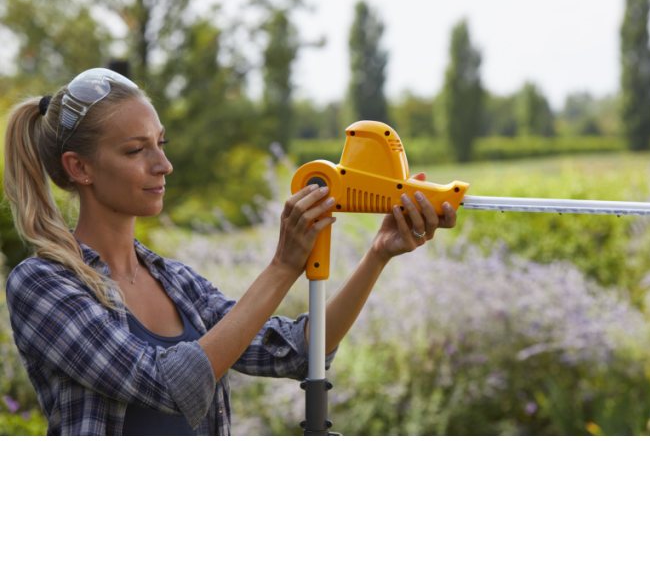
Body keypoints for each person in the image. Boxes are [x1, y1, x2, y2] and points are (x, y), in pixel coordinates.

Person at [3, 68, 457, 435]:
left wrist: (378, 253)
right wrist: (282, 266)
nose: (163, 164)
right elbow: (168, 384)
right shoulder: (43, 284)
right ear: (79, 167)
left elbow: (296, 352)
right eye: (136, 150)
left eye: (160, 143)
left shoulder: (175, 282)